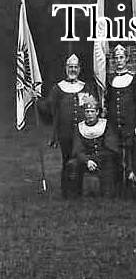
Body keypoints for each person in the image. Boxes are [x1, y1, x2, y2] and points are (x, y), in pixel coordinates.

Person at [38, 54, 95, 193]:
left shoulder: (85, 87)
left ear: (79, 69)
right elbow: (49, 107)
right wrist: (37, 100)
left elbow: (92, 105)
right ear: (66, 68)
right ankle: (67, 191)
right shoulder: (58, 89)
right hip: (65, 133)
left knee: (79, 159)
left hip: (82, 133)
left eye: (75, 67)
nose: (73, 70)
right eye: (70, 67)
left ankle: (77, 190)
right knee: (67, 159)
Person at [105, 44, 136, 190]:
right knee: (115, 154)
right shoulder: (110, 80)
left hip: (130, 123)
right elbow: (108, 101)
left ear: (127, 59)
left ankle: (131, 185)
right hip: (114, 124)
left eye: (121, 57)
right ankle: (116, 185)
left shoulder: (135, 78)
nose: (119, 60)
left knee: (130, 154)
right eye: (116, 58)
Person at [64, 96, 120, 198]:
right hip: (86, 158)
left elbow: (110, 147)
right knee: (72, 164)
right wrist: (87, 161)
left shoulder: (105, 125)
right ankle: (74, 196)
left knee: (110, 162)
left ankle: (108, 193)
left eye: (92, 111)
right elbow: (77, 149)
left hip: (103, 157)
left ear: (97, 112)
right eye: (87, 111)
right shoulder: (79, 127)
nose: (89, 114)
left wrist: (95, 158)